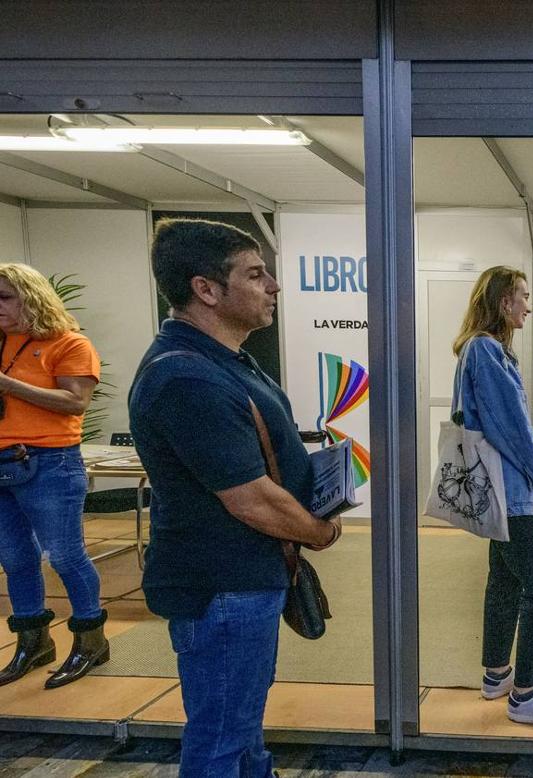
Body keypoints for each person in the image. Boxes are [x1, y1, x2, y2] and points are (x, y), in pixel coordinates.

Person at [129, 219, 342, 776]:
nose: (273, 285)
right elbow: (250, 498)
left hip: (247, 581)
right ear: (206, 289)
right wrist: (319, 530)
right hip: (222, 587)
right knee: (222, 737)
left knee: (241, 729)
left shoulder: (226, 359)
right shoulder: (186, 378)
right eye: (255, 274)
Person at [452, 266, 533, 729]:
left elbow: (520, 426)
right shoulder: (486, 351)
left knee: (505, 582)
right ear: (504, 302)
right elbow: (506, 427)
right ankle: (526, 695)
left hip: (504, 489)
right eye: (523, 296)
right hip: (510, 493)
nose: (529, 304)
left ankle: (497, 675)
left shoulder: (487, 351)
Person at [0, 263, 107, 689]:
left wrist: (9, 386)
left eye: (5, 298)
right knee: (14, 558)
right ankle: (34, 641)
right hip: (2, 461)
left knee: (63, 555)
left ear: (31, 297)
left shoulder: (69, 343)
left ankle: (90, 640)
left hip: (50, 462)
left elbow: (74, 401)